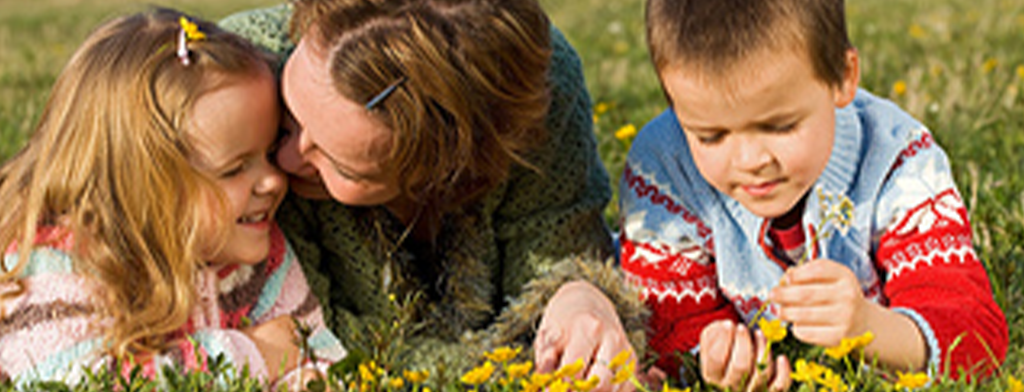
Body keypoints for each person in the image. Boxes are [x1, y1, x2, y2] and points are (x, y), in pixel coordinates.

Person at [219, 0, 648, 384]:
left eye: (342, 165)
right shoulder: (236, 87)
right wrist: (523, 369)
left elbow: (557, 245)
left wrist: (578, 295)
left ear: (451, 170)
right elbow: (311, 337)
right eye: (289, 119)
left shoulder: (539, 93)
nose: (285, 161)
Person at [619, 0, 1008, 389]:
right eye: (711, 136)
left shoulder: (898, 164)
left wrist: (868, 328)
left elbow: (974, 336)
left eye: (781, 127)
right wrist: (717, 357)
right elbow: (666, 328)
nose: (751, 160)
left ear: (842, 76)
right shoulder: (665, 171)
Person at [0, 9, 345, 387]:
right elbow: (82, 381)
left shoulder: (257, 254)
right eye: (233, 170)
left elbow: (314, 351)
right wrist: (253, 354)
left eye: (269, 151)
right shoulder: (60, 263)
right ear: (138, 183)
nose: (271, 181)